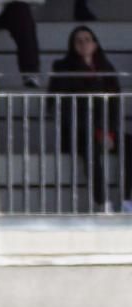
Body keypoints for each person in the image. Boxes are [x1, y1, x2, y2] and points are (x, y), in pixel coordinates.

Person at [48, 24, 124, 209]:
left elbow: (114, 104)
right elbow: (57, 105)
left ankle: (128, 199)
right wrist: (91, 129)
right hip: (77, 132)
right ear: (72, 46)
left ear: (95, 45)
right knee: (91, 146)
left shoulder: (106, 69)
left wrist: (110, 132)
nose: (83, 44)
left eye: (87, 40)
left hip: (105, 130)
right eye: (78, 41)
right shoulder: (62, 68)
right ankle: (102, 201)